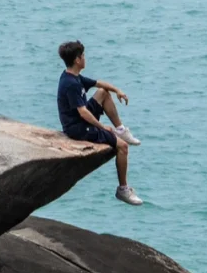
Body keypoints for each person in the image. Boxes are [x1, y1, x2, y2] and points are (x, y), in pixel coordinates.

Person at [56, 40, 143, 206]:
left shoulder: (73, 76)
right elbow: (83, 112)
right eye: (83, 56)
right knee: (123, 146)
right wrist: (102, 127)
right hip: (78, 128)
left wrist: (118, 90)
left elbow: (99, 84)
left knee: (103, 92)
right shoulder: (71, 84)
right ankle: (123, 189)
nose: (85, 58)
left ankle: (121, 129)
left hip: (79, 119)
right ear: (77, 60)